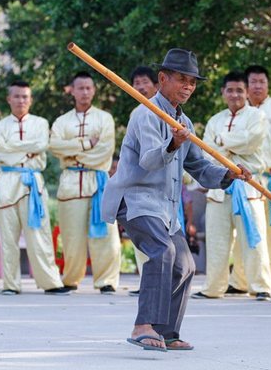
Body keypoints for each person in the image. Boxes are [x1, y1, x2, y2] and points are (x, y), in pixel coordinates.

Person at [102, 49, 251, 351]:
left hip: (165, 208)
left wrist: (229, 175)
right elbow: (148, 160)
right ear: (162, 79)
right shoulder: (145, 113)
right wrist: (172, 143)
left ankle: (167, 332)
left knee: (184, 264)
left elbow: (199, 167)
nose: (187, 87)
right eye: (181, 80)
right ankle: (143, 325)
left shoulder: (186, 123)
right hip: (136, 201)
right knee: (162, 251)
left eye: (192, 82)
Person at [191, 71, 271, 301]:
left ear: (246, 92)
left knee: (253, 239)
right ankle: (213, 288)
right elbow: (207, 152)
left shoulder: (258, 116)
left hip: (248, 186)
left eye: (239, 90)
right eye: (230, 90)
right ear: (223, 93)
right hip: (218, 187)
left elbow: (250, 142)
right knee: (217, 242)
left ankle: (261, 286)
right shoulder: (215, 120)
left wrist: (222, 142)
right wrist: (226, 147)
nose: (235, 94)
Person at [0, 80, 70, 295]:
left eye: (25, 96)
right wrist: (27, 151)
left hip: (33, 182)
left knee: (39, 235)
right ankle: (10, 284)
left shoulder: (41, 123)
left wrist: (14, 149)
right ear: (9, 99)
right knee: (7, 237)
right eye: (16, 96)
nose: (21, 100)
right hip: (7, 183)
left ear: (30, 99)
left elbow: (42, 144)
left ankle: (50, 282)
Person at [49, 71, 120, 294]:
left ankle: (106, 280)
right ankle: (70, 278)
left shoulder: (105, 118)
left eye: (89, 87)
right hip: (70, 184)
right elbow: (54, 146)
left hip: (98, 181)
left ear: (94, 90)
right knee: (71, 235)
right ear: (72, 90)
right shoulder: (62, 121)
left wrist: (72, 153)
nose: (85, 92)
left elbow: (104, 152)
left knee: (107, 235)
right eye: (80, 88)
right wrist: (86, 144)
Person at [232, 65, 271, 290]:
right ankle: (239, 281)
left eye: (261, 82)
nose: (256, 86)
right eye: (252, 82)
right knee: (245, 231)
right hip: (246, 179)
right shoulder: (237, 113)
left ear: (268, 84)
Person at [127, 66, 159, 297]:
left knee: (164, 237)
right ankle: (146, 282)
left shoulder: (168, 111)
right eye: (136, 82)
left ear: (156, 85)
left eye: (144, 82)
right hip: (140, 184)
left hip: (162, 185)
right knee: (143, 236)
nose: (140, 86)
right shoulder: (135, 114)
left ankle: (164, 282)